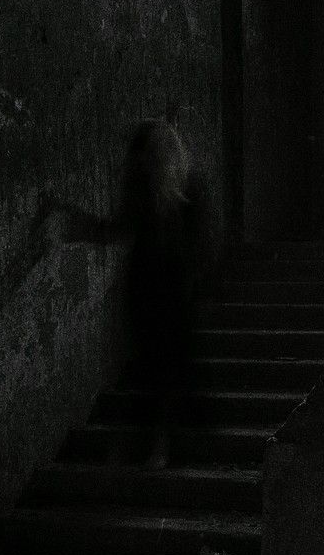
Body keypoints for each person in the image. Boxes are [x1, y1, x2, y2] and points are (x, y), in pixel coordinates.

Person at [46, 119, 211, 469]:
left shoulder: (187, 193)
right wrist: (74, 222)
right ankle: (148, 441)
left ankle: (158, 442)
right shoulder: (145, 193)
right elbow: (115, 229)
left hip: (169, 291)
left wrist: (195, 289)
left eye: (151, 156)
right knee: (149, 364)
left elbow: (198, 249)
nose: (145, 164)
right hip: (146, 288)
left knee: (165, 366)